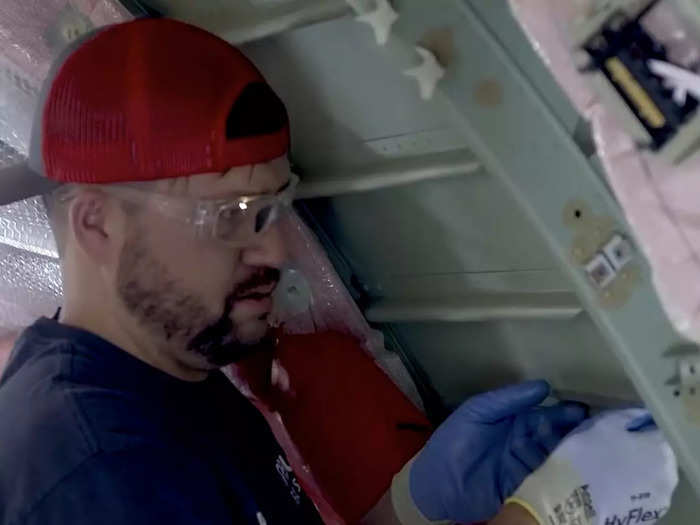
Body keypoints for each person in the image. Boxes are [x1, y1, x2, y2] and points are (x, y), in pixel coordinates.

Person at [0, 18, 677, 525]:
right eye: (231, 217)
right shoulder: (95, 473)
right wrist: (540, 517)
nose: (275, 253)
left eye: (272, 210)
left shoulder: (174, 375)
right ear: (96, 224)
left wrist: (407, 510)